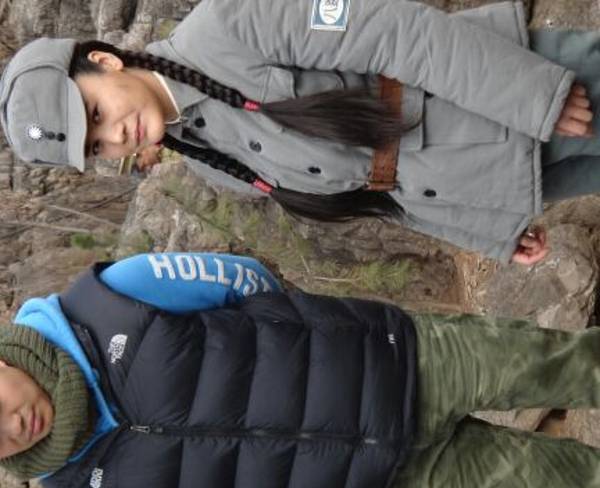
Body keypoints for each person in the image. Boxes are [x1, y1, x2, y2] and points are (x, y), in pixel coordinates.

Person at [3, 251, 600, 488]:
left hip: (401, 363)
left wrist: (309, 343)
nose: (12, 428)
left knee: (571, 366)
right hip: (381, 475)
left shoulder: (109, 300)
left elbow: (246, 280)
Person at [0, 0, 597, 266]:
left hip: (515, 98)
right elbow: (377, 194)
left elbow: (396, 33)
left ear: (104, 61)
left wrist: (532, 95)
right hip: (494, 177)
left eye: (96, 114)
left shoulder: (225, 26)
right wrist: (489, 234)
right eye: (97, 147)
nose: (114, 138)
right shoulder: (208, 159)